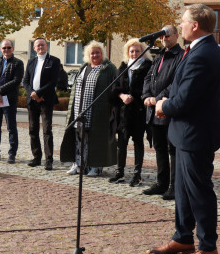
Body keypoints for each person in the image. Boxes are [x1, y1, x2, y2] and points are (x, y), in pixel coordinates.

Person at [150, 4, 220, 254]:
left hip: (197, 134)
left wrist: (163, 107)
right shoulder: (194, 49)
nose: (180, 25)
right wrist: (163, 99)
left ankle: (208, 246)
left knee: (198, 190)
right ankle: (183, 237)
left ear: (195, 25)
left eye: (183, 22)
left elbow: (185, 99)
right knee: (182, 189)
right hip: (185, 132)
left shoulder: (203, 53)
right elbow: (177, 85)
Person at [60, 41, 117, 176]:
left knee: (95, 139)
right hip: (79, 110)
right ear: (88, 55)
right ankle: (79, 164)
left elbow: (114, 90)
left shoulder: (108, 69)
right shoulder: (84, 67)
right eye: (92, 53)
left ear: (102, 54)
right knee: (79, 138)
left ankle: (96, 166)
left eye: (98, 52)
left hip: (98, 112)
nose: (95, 55)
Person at [141, 24, 183, 199]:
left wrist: (157, 98)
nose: (164, 38)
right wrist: (146, 95)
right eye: (162, 36)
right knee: (159, 148)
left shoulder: (181, 56)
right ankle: (161, 183)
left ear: (176, 36)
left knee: (172, 149)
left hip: (167, 109)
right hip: (153, 110)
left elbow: (175, 82)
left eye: (167, 35)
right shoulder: (159, 55)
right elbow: (148, 77)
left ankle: (174, 187)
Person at [110, 39, 152, 187]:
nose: (134, 53)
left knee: (138, 143)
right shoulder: (122, 67)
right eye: (131, 51)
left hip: (139, 111)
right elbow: (114, 87)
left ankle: (137, 175)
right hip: (122, 112)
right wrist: (122, 96)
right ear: (127, 52)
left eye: (137, 51)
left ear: (143, 52)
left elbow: (148, 88)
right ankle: (120, 173)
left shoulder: (148, 67)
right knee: (121, 143)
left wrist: (133, 96)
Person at [22, 37, 61, 169]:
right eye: (37, 46)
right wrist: (32, 93)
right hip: (32, 101)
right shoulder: (31, 61)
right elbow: (25, 81)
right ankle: (36, 157)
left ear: (47, 46)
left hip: (46, 100)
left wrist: (39, 93)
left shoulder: (54, 61)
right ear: (34, 48)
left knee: (47, 130)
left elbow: (53, 81)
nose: (40, 47)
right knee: (33, 130)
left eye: (42, 45)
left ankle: (48, 160)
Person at [0, 40, 25, 164]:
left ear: (12, 48)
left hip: (9, 99)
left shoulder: (18, 63)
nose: (6, 50)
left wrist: (0, 91)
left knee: (11, 127)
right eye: (4, 48)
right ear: (0, 49)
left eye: (8, 47)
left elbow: (16, 80)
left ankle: (12, 153)